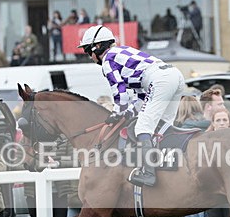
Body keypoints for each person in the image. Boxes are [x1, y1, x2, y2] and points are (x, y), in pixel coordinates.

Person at [78, 24, 185, 187]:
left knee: (143, 127)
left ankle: (148, 173)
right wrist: (128, 112)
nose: (89, 56)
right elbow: (141, 96)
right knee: (163, 126)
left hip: (161, 80)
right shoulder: (122, 53)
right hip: (174, 76)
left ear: (98, 47)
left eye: (88, 51)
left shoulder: (108, 60)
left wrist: (117, 112)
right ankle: (168, 166)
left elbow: (119, 91)